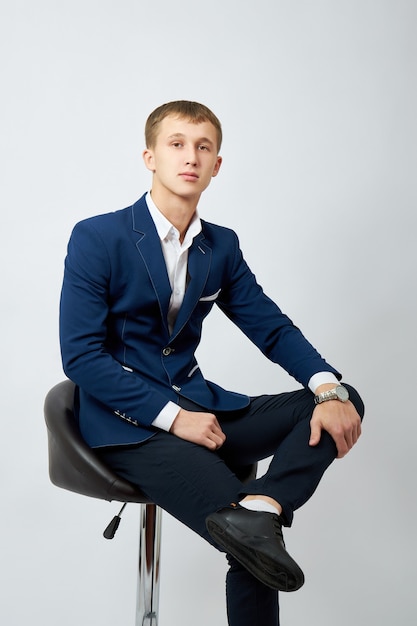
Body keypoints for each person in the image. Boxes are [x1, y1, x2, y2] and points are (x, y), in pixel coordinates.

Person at [59, 100, 364, 625]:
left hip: (200, 405)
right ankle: (253, 525)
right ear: (149, 156)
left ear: (217, 164)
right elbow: (81, 357)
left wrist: (325, 386)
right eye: (176, 144)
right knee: (251, 549)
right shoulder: (98, 237)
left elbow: (269, 326)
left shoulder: (220, 247)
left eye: (203, 147)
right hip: (127, 426)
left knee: (339, 397)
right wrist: (175, 419)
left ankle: (265, 506)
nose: (190, 157)